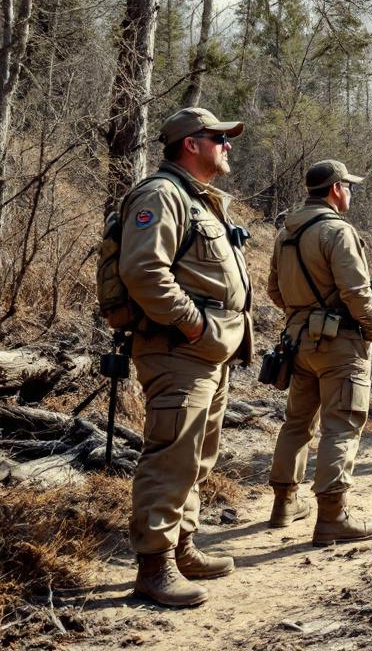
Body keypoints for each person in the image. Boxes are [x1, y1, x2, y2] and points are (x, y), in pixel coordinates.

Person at [122, 107, 250, 607]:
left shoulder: (198, 199)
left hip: (206, 349)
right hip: (179, 347)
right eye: (217, 137)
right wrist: (194, 324)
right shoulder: (161, 194)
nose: (227, 145)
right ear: (190, 144)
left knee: (197, 455)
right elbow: (144, 272)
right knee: (172, 455)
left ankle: (182, 547)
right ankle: (154, 567)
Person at [265, 159, 372, 547]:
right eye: (348, 186)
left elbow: (274, 289)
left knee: (297, 422)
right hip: (340, 343)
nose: (350, 192)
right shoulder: (337, 231)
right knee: (342, 424)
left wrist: (301, 314)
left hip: (298, 341)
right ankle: (332, 517)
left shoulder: (286, 233)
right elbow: (356, 290)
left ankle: (285, 504)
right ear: (335, 189)